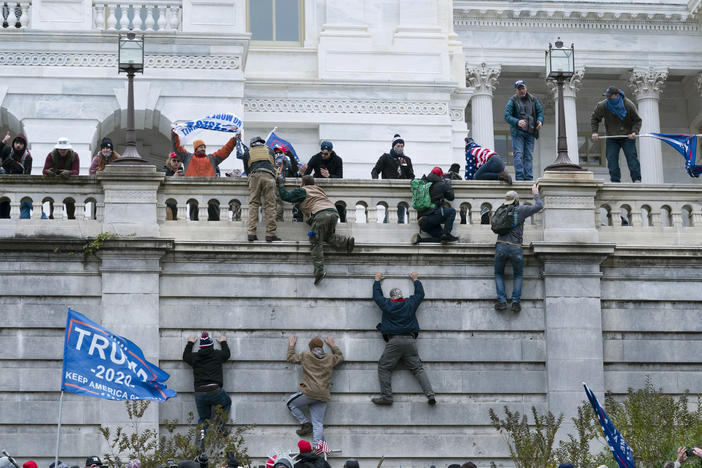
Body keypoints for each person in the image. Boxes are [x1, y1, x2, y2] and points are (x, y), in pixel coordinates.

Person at [371, 271, 435, 406]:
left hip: (394, 341)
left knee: (384, 367)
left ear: (392, 298)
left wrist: (377, 281)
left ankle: (387, 397)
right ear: (401, 296)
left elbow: (377, 297)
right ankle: (430, 395)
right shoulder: (409, 304)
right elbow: (420, 295)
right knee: (418, 369)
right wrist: (415, 280)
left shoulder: (388, 305)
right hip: (410, 341)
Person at [278, 175, 355, 285]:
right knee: (327, 236)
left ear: (303, 183)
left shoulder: (303, 190)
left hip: (320, 215)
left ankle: (319, 271)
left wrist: (281, 184)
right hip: (333, 213)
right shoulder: (319, 190)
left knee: (315, 240)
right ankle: (346, 242)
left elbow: (285, 196)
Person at [286, 336, 343, 449]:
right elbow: (340, 358)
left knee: (290, 403)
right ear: (322, 347)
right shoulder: (330, 358)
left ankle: (305, 423)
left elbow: (290, 357)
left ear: (310, 347)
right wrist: (332, 345)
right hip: (323, 395)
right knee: (318, 424)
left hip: (309, 392)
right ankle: (317, 449)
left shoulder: (305, 355)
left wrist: (292, 345)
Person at [494, 185, 543, 313]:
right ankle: (515, 302)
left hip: (500, 245)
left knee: (499, 274)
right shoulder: (521, 210)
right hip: (515, 247)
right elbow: (539, 206)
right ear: (516, 200)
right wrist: (536, 193)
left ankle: (502, 301)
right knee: (518, 274)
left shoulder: (501, 210)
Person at [591, 85, 643, 183]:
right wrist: (595, 132)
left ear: (617, 95)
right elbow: (594, 118)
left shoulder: (628, 105)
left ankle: (636, 179)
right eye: (607, 96)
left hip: (627, 137)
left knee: (632, 157)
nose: (608, 98)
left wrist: (634, 132)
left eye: (610, 96)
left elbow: (637, 120)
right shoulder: (603, 105)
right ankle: (615, 180)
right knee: (611, 158)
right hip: (612, 137)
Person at [182, 332, 232, 426]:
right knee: (227, 402)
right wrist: (223, 342)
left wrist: (190, 343)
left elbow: (185, 356)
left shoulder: (195, 357)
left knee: (204, 420)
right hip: (215, 391)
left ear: (201, 347)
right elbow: (227, 354)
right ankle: (219, 429)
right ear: (211, 345)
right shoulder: (217, 355)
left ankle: (200, 440)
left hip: (200, 393)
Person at [504, 80, 544, 181]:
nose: (522, 90)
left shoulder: (533, 99)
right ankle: (520, 178)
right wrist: (517, 122)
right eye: (519, 89)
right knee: (518, 155)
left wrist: (540, 121)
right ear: (516, 90)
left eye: (523, 88)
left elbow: (540, 112)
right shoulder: (513, 100)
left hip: (530, 132)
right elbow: (507, 116)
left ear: (526, 88)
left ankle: (529, 178)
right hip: (518, 133)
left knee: (529, 156)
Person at [243, 136, 279, 242]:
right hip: (269, 176)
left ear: (252, 143)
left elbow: (247, 169)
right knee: (270, 205)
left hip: (255, 175)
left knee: (254, 204)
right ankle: (270, 234)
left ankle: (251, 233)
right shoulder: (270, 150)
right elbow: (273, 165)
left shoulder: (247, 152)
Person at [412, 167, 458, 244]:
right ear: (440, 176)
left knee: (441, 238)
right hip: (431, 217)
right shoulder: (441, 184)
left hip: (422, 221)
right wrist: (447, 185)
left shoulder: (423, 184)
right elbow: (451, 197)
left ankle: (419, 240)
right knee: (451, 211)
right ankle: (446, 233)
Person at [43, 137, 79, 219]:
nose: (62, 151)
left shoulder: (74, 156)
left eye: (64, 149)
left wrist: (68, 173)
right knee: (53, 212)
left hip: (69, 187)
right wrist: (49, 172)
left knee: (70, 212)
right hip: (55, 186)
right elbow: (44, 170)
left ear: (68, 149)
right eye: (60, 149)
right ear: (57, 148)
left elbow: (76, 171)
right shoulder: (51, 155)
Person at [0, 131, 33, 219]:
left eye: (21, 143)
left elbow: (27, 174)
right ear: (13, 143)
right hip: (4, 183)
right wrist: (3, 142)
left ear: (24, 145)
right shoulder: (8, 150)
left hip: (18, 184)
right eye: (16, 143)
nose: (18, 145)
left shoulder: (27, 157)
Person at [162, 153, 184, 220]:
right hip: (168, 203)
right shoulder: (165, 171)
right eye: (174, 160)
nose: (176, 162)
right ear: (169, 161)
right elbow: (163, 184)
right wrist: (174, 177)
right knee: (170, 222)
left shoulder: (182, 171)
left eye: (178, 161)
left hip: (179, 203)